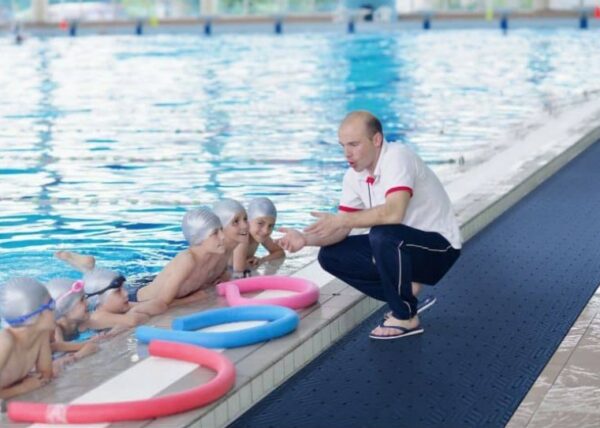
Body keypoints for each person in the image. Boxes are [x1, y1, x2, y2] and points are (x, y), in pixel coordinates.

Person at [277, 111, 461, 340]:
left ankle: (406, 316)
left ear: (376, 140)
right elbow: (341, 229)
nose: (347, 153)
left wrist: (342, 219)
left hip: (439, 249)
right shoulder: (353, 177)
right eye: (343, 145)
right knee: (330, 255)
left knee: (383, 234)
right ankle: (405, 294)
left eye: (354, 144)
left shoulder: (397, 157)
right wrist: (305, 240)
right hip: (402, 248)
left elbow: (394, 212)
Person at [55, 206, 228, 318]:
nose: (222, 236)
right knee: (95, 293)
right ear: (199, 237)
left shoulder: (215, 255)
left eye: (221, 230)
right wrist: (190, 300)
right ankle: (87, 268)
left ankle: (89, 268)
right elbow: (162, 303)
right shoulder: (187, 261)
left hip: (148, 285)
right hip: (135, 297)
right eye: (215, 233)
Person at [0, 278, 55, 398]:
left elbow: (46, 375)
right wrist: (23, 388)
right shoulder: (5, 342)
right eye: (51, 304)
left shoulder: (41, 333)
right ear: (36, 314)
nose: (55, 309)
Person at [44, 278, 99, 362]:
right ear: (65, 308)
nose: (87, 302)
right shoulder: (55, 328)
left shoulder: (81, 321)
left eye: (85, 298)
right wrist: (86, 345)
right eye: (81, 300)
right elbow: (59, 348)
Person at [233, 197, 285, 273]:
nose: (265, 231)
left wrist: (262, 260)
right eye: (260, 223)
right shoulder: (242, 236)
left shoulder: (259, 235)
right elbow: (238, 270)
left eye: (270, 226)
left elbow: (280, 252)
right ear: (247, 221)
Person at [212, 198, 251, 278]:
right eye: (236, 221)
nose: (245, 225)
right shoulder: (210, 254)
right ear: (221, 227)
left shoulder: (239, 240)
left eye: (245, 219)